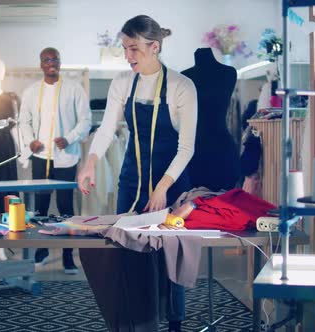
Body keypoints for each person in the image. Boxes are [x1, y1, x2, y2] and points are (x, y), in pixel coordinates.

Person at [77, 15, 197, 332]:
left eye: (134, 49)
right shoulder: (121, 83)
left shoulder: (183, 88)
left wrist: (162, 188)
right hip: (132, 181)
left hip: (170, 184)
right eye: (125, 49)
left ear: (154, 47)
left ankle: (173, 323)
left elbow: (186, 149)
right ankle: (134, 320)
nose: (128, 56)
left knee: (168, 254)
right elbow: (106, 130)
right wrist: (89, 163)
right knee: (127, 250)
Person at [19, 47, 91, 274]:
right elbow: (24, 121)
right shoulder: (31, 92)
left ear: (60, 62)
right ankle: (42, 250)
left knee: (66, 207)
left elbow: (86, 120)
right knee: (40, 206)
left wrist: (69, 138)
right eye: (46, 60)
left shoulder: (74, 89)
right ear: (41, 64)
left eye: (55, 59)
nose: (51, 63)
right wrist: (30, 140)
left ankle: (68, 255)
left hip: (66, 157)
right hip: (41, 157)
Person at [182, 48, 240, 191]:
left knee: (223, 203)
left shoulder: (229, 73)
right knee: (195, 204)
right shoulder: (183, 78)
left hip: (220, 149)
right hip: (193, 152)